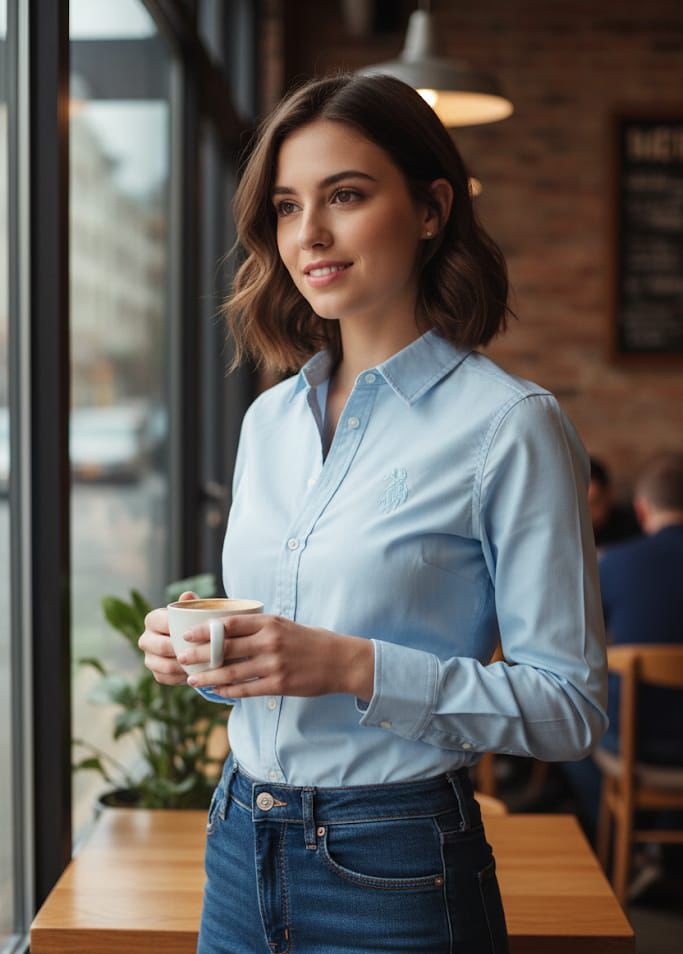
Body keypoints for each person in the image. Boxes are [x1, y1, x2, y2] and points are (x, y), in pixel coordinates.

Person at [138, 73, 608, 954]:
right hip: (240, 840)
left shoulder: (509, 427)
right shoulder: (268, 421)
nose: (307, 234)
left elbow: (568, 710)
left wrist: (351, 665)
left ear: (431, 208)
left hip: (394, 863)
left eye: (344, 196)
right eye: (285, 206)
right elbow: (275, 646)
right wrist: (198, 650)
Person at [563, 452, 683, 845]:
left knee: (570, 729)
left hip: (637, 744)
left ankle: (624, 845)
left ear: (642, 509)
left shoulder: (615, 564)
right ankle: (662, 846)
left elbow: (581, 639)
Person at [588, 456, 641, 551]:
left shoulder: (632, 527)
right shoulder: (567, 530)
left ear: (609, 495)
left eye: (594, 502)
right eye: (582, 506)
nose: (588, 512)